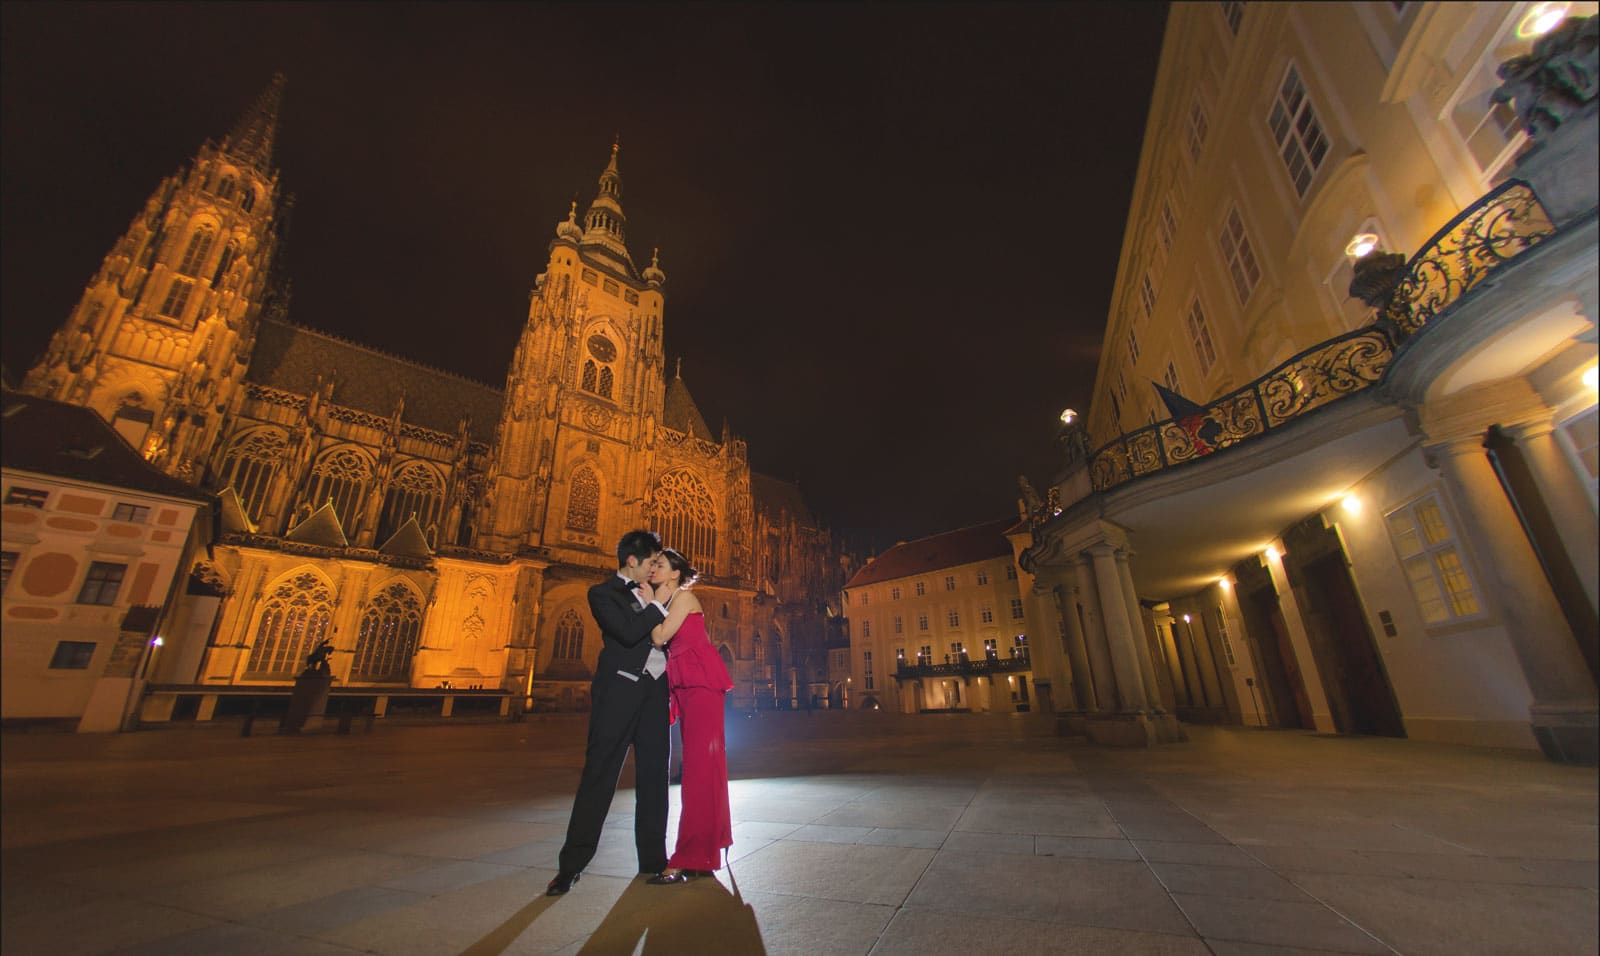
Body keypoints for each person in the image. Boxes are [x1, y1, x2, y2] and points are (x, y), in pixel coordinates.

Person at [547, 529, 674, 897]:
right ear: (631, 561)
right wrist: (659, 604)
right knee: (599, 778)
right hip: (618, 694)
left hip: (655, 694)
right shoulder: (602, 593)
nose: (654, 568)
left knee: (654, 779)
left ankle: (653, 860)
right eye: (651, 562)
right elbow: (627, 631)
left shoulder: (655, 594)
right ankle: (570, 867)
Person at [643, 548, 734, 884]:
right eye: (653, 564)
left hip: (699, 684)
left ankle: (689, 855)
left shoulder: (683, 597)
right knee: (704, 768)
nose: (653, 568)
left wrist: (653, 601)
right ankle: (711, 843)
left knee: (698, 770)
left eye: (660, 565)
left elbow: (659, 637)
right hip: (689, 685)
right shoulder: (674, 600)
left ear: (676, 573)